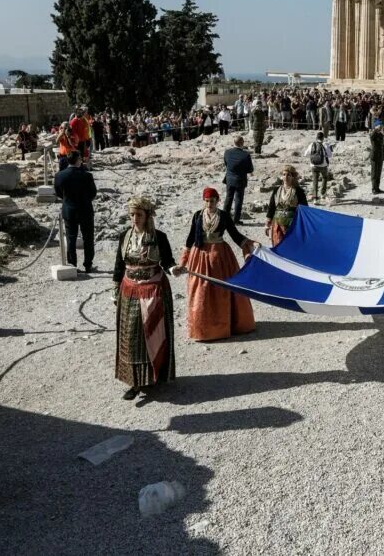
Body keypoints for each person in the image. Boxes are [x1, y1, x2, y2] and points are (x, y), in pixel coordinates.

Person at [112, 195, 178, 400]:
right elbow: (118, 266)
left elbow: (167, 262)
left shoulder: (159, 237)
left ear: (147, 215)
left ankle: (156, 374)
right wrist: (115, 290)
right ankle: (135, 381)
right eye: (131, 214)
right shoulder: (124, 236)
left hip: (154, 290)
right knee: (132, 336)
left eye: (138, 214)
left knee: (155, 332)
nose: (134, 218)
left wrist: (174, 268)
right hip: (129, 290)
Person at [173, 187, 256, 341]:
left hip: (220, 257)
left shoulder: (223, 216)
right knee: (201, 290)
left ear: (217, 201)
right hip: (200, 256)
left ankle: (224, 326)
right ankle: (202, 328)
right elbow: (191, 238)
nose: (209, 203)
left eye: (212, 201)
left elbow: (234, 234)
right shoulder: (198, 215)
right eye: (206, 201)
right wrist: (183, 262)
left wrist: (249, 244)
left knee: (221, 289)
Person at [53, 150, 97, 274]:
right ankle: (88, 265)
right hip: (85, 209)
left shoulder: (60, 175)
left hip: (69, 209)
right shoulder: (87, 175)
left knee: (71, 239)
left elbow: (58, 193)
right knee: (88, 238)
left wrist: (68, 200)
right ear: (78, 160)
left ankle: (72, 265)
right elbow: (93, 193)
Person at [265, 165, 308, 246]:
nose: (286, 177)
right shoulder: (276, 190)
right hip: (277, 224)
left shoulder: (299, 192)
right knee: (278, 246)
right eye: (284, 174)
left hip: (292, 225)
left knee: (291, 246)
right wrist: (267, 224)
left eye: (288, 175)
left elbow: (304, 209)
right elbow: (272, 207)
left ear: (293, 177)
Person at [223, 135, 254, 224]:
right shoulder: (246, 155)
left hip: (229, 178)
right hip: (240, 180)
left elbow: (226, 163)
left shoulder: (227, 152)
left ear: (234, 143)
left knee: (228, 198)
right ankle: (236, 220)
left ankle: (225, 218)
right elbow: (250, 169)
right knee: (238, 200)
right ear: (242, 143)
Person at [304, 131, 332, 201]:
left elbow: (306, 154)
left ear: (316, 137)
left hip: (314, 165)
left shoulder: (312, 144)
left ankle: (315, 198)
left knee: (315, 180)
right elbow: (330, 155)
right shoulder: (325, 144)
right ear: (323, 138)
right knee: (324, 178)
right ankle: (323, 194)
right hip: (323, 165)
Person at [369, 121, 384, 194]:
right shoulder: (373, 134)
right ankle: (373, 188)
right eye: (379, 126)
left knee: (378, 173)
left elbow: (382, 146)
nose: (380, 127)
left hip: (380, 155)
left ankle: (377, 187)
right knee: (374, 173)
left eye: (381, 126)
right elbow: (372, 137)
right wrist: (375, 129)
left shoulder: (381, 135)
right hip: (374, 156)